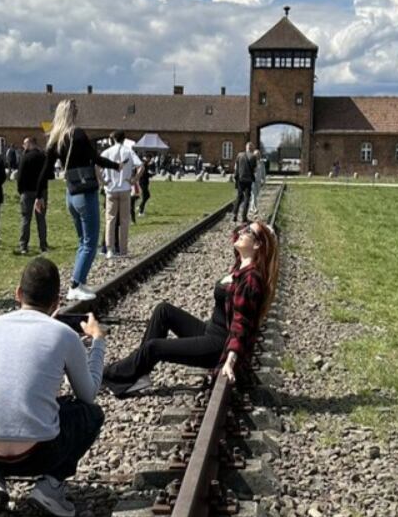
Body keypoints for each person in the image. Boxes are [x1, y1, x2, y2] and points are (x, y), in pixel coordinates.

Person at [0, 258, 106, 517]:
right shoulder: (64, 335)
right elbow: (88, 395)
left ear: (18, 293)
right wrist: (97, 340)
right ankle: (50, 487)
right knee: (91, 414)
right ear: (56, 302)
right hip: (40, 454)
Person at [104, 220, 279, 397]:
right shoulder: (240, 263)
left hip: (219, 346)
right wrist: (257, 228)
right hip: (209, 331)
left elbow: (241, 325)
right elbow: (236, 233)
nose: (242, 231)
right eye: (244, 228)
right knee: (163, 311)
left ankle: (107, 374)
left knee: (153, 348)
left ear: (257, 244)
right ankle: (140, 374)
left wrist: (230, 361)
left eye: (248, 231)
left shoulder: (250, 280)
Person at [36, 100, 121, 302]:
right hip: (86, 193)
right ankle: (75, 284)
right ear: (72, 113)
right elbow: (95, 158)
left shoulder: (55, 138)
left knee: (82, 241)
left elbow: (45, 170)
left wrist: (38, 196)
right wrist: (116, 166)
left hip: (71, 194)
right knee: (90, 242)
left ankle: (79, 281)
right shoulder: (78, 134)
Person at [101, 131, 140, 259]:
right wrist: (134, 179)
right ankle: (123, 250)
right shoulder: (128, 152)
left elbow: (96, 166)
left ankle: (109, 250)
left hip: (111, 189)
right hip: (125, 189)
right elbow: (141, 166)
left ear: (113, 139)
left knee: (110, 219)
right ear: (124, 140)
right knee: (124, 220)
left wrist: (102, 181)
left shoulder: (107, 152)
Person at [16, 136, 49, 255]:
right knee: (41, 219)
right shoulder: (43, 157)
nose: (23, 147)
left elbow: (19, 176)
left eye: (24, 144)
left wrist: (20, 190)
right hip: (41, 192)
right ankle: (43, 245)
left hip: (27, 191)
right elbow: (48, 175)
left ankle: (23, 246)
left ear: (29, 143)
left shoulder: (25, 157)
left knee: (26, 219)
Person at [231, 142, 256, 222]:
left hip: (240, 179)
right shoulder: (253, 157)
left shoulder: (239, 155)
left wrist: (236, 177)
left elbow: (236, 167)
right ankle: (243, 217)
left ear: (246, 147)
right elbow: (254, 169)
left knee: (239, 197)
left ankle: (234, 215)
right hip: (248, 180)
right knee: (247, 198)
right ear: (251, 148)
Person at [250, 148, 266, 217]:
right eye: (256, 155)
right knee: (254, 194)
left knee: (256, 194)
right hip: (252, 180)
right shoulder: (251, 162)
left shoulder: (261, 163)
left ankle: (251, 207)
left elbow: (263, 172)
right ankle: (255, 209)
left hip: (259, 181)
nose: (257, 156)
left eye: (258, 154)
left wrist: (263, 179)